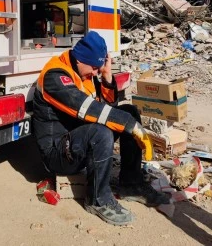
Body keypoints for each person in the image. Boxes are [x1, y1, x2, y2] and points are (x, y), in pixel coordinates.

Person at [32, 31, 170, 226]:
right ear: (81, 59)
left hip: (77, 142)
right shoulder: (55, 75)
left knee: (129, 112)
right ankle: (98, 199)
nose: (96, 72)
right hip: (57, 153)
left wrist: (106, 77)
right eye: (96, 68)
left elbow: (107, 109)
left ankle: (131, 184)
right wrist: (129, 125)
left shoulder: (83, 72)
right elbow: (86, 109)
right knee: (103, 131)